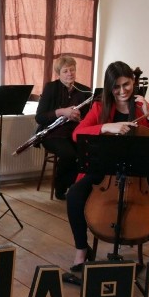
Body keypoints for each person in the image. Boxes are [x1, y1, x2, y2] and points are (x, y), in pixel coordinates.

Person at [66, 61, 149, 271]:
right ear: (109, 88)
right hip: (105, 170)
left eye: (126, 85)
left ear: (133, 82)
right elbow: (76, 134)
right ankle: (82, 250)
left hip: (140, 173)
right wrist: (107, 126)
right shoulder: (100, 107)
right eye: (116, 87)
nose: (122, 91)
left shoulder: (144, 108)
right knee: (74, 195)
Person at [33, 56, 93, 200]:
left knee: (87, 154)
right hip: (52, 133)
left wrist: (80, 119)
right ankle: (62, 188)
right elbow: (39, 117)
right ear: (58, 74)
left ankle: (78, 187)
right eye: (65, 71)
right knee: (69, 155)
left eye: (72, 70)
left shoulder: (85, 91)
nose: (69, 73)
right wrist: (62, 111)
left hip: (75, 132)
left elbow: (89, 118)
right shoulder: (51, 88)